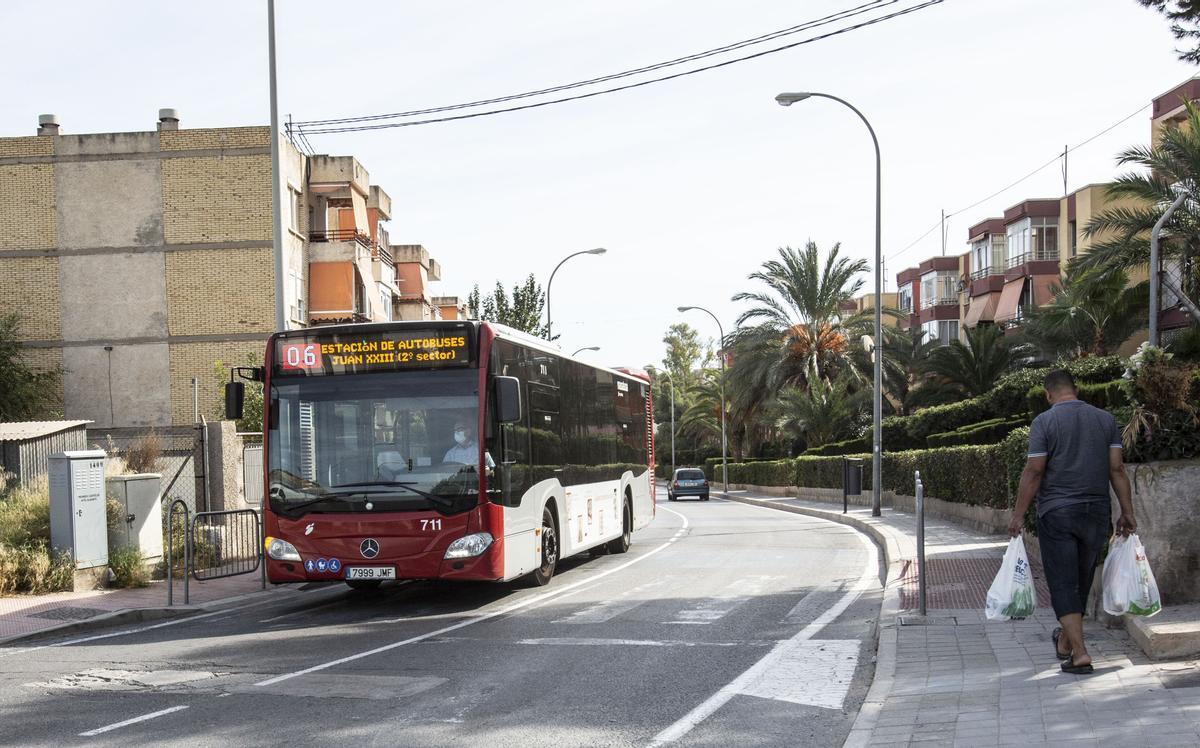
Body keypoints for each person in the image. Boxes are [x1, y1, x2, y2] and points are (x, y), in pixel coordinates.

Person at [1008, 369, 1136, 675]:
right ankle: (1065, 641)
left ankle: (1080, 653)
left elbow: (1034, 470)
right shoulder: (1105, 420)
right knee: (1080, 579)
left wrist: (1017, 514)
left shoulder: (1044, 422)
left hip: (1058, 512)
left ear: (1048, 394)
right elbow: (1116, 469)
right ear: (1075, 390)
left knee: (1064, 583)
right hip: (1096, 512)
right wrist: (1127, 511)